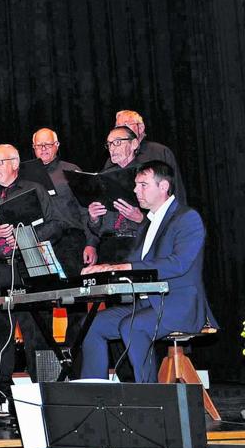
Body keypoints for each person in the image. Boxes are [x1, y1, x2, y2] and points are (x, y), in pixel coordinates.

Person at [80, 161, 216, 382]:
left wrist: (127, 267)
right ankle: (95, 395)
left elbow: (177, 263)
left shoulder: (187, 218)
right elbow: (132, 262)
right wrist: (104, 269)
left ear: (163, 187)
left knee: (132, 326)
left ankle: (150, 398)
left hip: (180, 306)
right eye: (136, 185)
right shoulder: (149, 223)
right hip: (148, 304)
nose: (135, 190)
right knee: (93, 324)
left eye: (143, 185)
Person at [0, 144, 60, 412]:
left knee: (38, 335)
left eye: (0, 162)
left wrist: (27, 236)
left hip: (29, 267)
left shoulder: (34, 190)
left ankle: (45, 394)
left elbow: (56, 225)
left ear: (15, 164)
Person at [30, 128, 95, 348]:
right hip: (39, 243)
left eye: (48, 144)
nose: (44, 149)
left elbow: (86, 209)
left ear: (57, 146)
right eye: (39, 145)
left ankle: (73, 357)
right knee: (41, 303)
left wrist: (90, 242)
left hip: (71, 242)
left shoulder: (71, 171)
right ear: (33, 148)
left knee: (76, 302)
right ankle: (47, 358)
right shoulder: (25, 175)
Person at [87, 127, 146, 263]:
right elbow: (96, 228)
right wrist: (94, 218)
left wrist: (141, 218)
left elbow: (165, 217)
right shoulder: (104, 176)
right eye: (109, 144)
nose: (112, 148)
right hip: (109, 247)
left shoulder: (148, 174)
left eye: (118, 142)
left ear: (134, 144)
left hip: (138, 244)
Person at [105, 110, 186, 203]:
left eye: (126, 124)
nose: (121, 129)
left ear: (141, 127)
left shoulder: (159, 152)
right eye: (118, 126)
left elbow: (176, 190)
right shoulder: (112, 160)